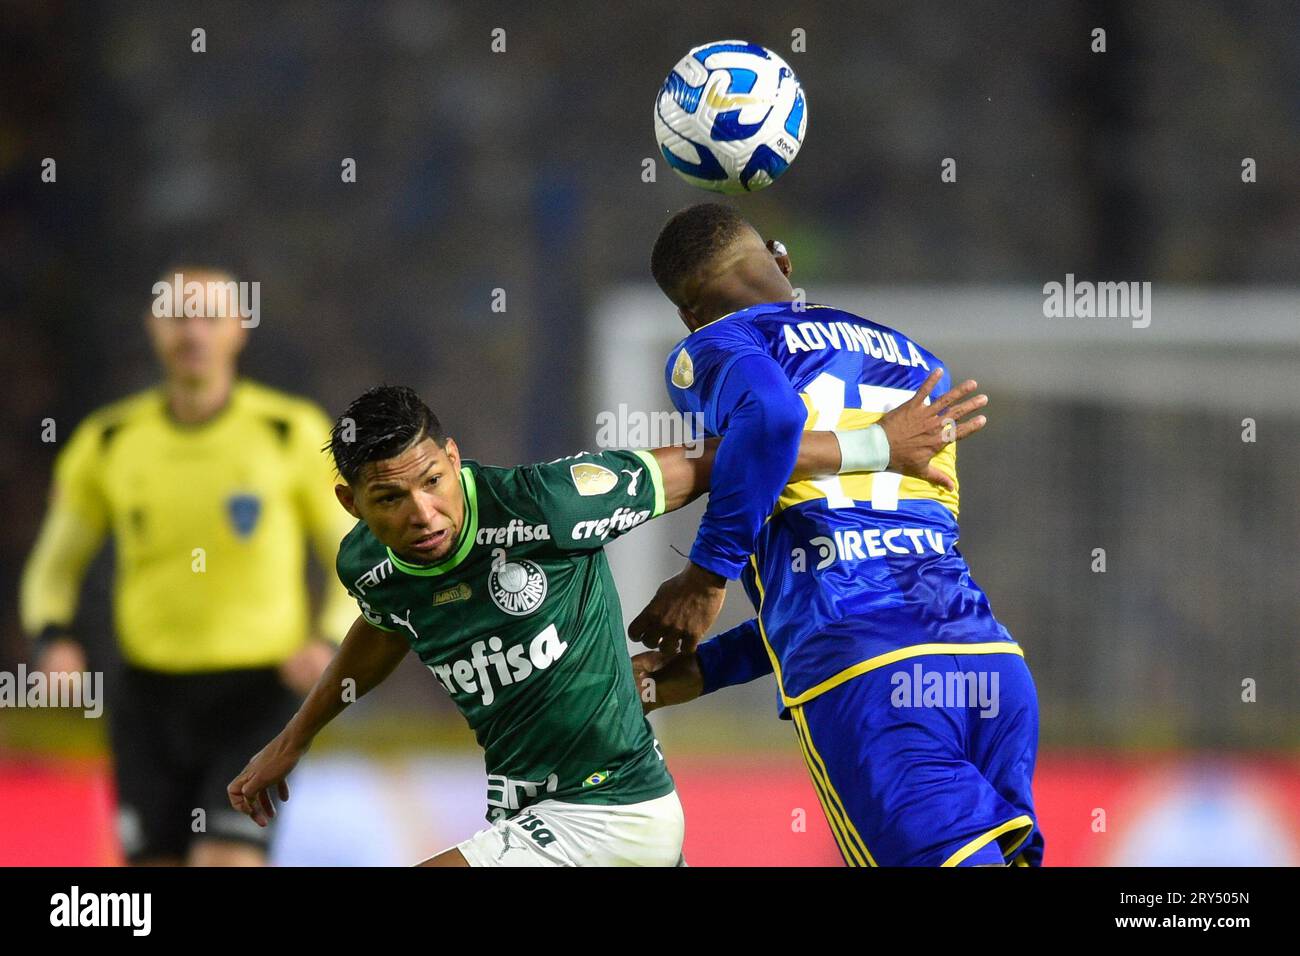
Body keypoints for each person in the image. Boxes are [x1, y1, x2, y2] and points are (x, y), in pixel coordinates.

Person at [226, 379, 983, 866]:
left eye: (432, 481)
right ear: (350, 505)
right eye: (391, 499)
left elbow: (723, 458)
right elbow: (384, 622)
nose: (423, 512)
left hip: (612, 808)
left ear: (453, 459)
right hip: (521, 808)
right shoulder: (369, 565)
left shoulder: (549, 505)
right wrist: (295, 740)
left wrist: (876, 446)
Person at [631, 202, 1041, 866]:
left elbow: (766, 422)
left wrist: (705, 578)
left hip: (871, 683)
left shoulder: (716, 344)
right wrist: (707, 670)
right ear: (781, 258)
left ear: (688, 313)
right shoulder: (916, 364)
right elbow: (875, 566)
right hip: (989, 670)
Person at [20, 266, 355, 866]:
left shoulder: (291, 432)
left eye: (210, 317)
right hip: (147, 699)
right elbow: (53, 565)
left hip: (257, 695)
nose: (193, 332)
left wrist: (328, 640)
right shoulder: (108, 441)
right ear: (153, 328)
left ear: (239, 329)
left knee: (227, 858)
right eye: (178, 316)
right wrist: (55, 637)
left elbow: (351, 555)